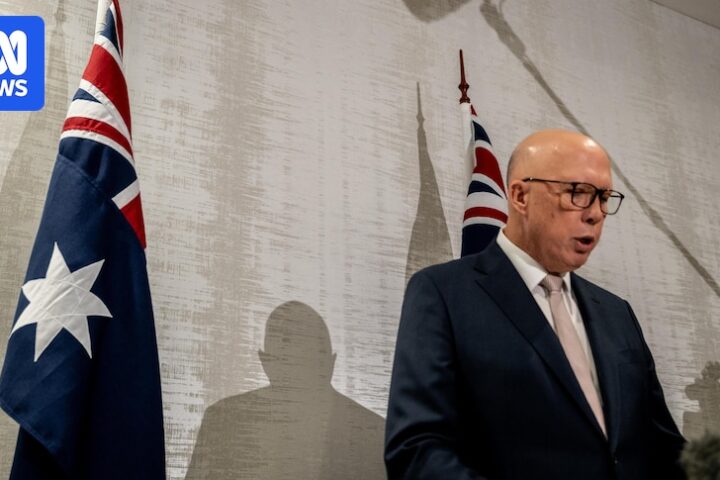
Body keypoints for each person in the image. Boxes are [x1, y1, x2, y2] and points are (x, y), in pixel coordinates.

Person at [385, 129, 686, 480]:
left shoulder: (617, 313)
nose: (595, 214)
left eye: (604, 197)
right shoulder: (443, 293)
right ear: (520, 196)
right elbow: (417, 450)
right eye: (578, 193)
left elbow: (663, 447)